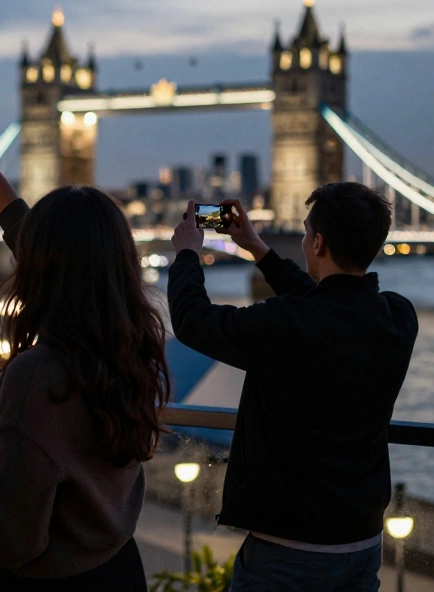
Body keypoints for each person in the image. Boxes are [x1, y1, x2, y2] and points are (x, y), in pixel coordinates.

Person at [0, 135, 170, 591]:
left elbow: (10, 540)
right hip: (117, 569)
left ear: (38, 266)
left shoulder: (38, 375)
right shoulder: (132, 349)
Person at [168, 184, 417, 591]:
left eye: (305, 232)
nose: (303, 241)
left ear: (317, 242)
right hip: (363, 543)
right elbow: (330, 304)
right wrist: (257, 248)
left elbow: (192, 321)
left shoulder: (284, 323)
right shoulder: (398, 316)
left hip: (288, 551)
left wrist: (187, 255)